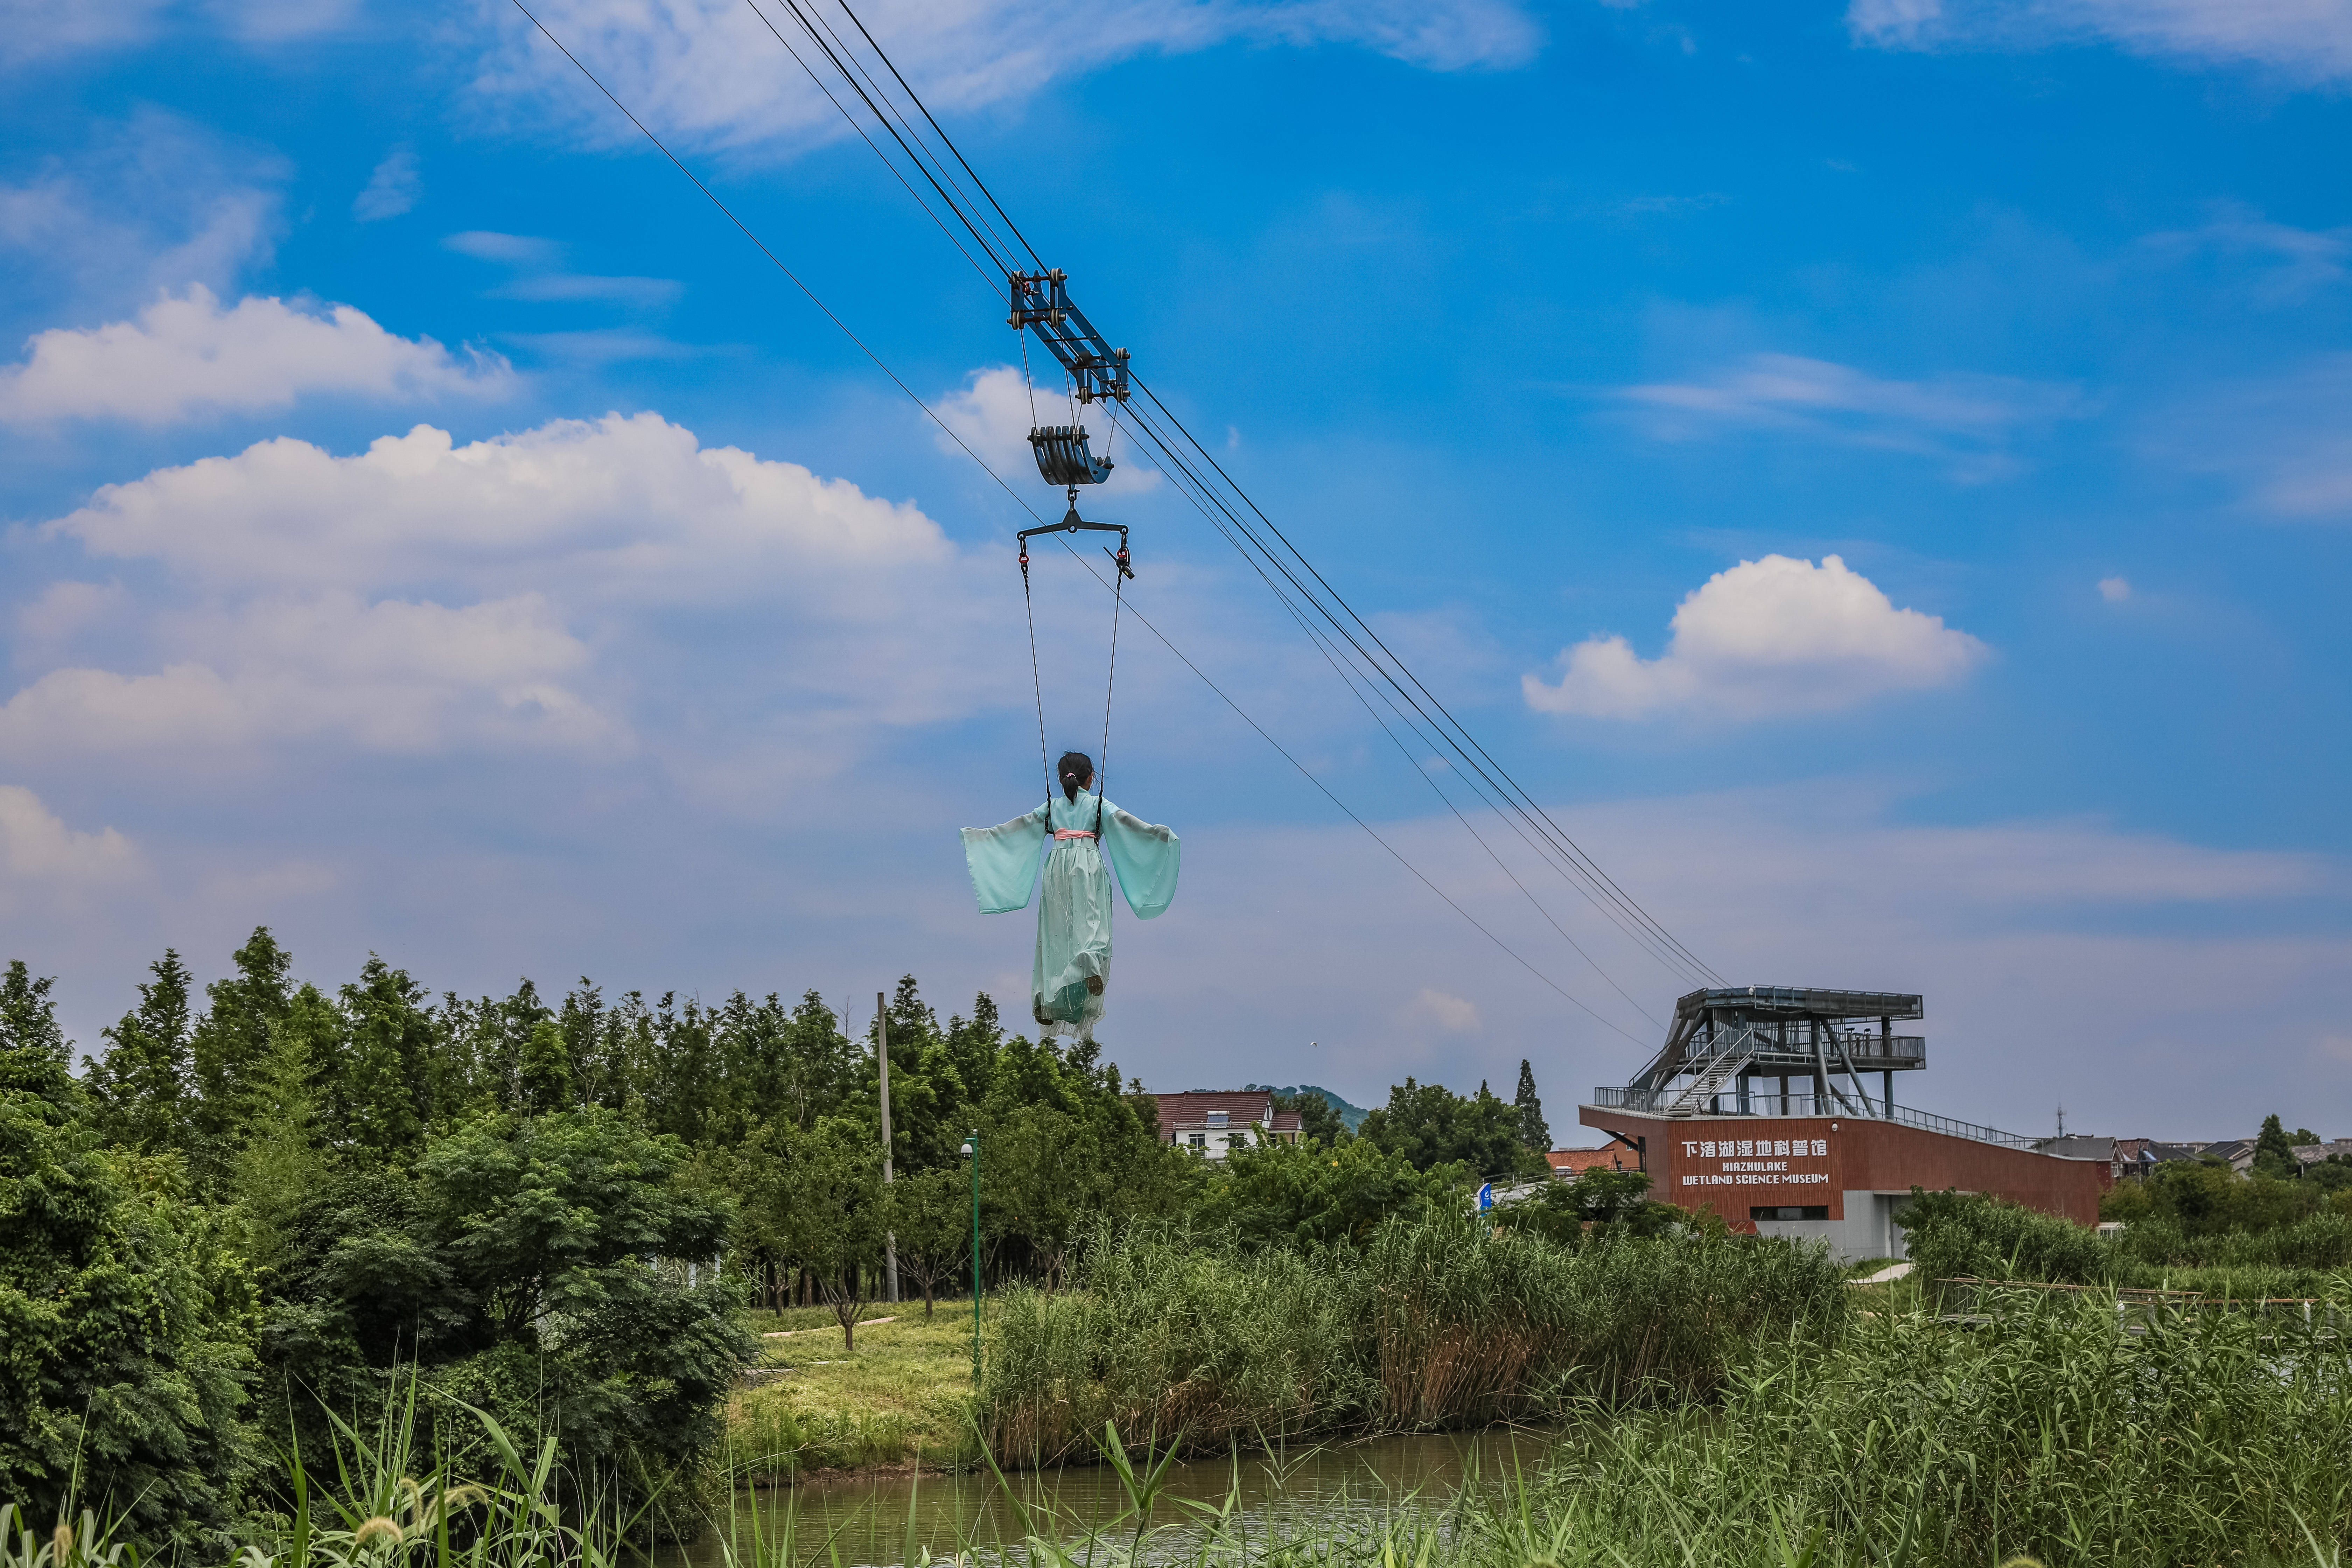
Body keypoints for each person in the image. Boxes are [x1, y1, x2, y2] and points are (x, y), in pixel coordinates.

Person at [960, 751, 1179, 1040]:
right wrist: (1159, 835)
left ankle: (1043, 997)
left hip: (1056, 869)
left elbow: (1019, 828)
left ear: (1062, 778)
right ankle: (1089, 962)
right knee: (1092, 924)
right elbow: (1129, 825)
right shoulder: (1098, 805)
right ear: (1091, 778)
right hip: (1087, 865)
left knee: (1054, 934)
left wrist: (982, 837)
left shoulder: (1051, 808)